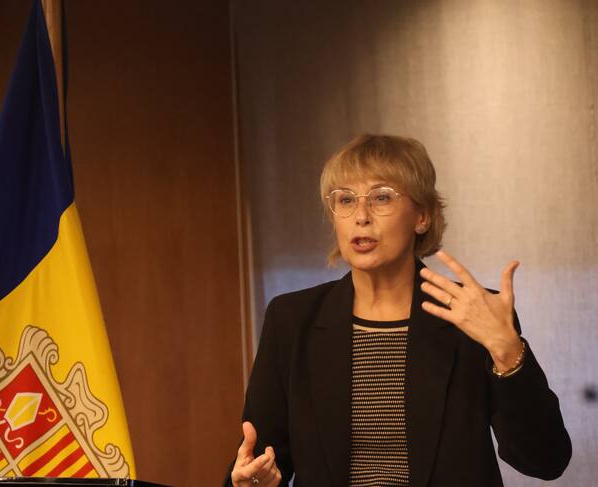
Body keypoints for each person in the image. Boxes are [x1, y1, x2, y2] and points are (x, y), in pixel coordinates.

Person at [225, 134, 571, 487]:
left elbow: (545, 460)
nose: (361, 216)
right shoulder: (292, 319)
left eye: (381, 197)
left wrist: (507, 351)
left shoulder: (473, 313)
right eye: (346, 199)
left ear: (422, 216)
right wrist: (250, 482)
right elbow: (259, 460)